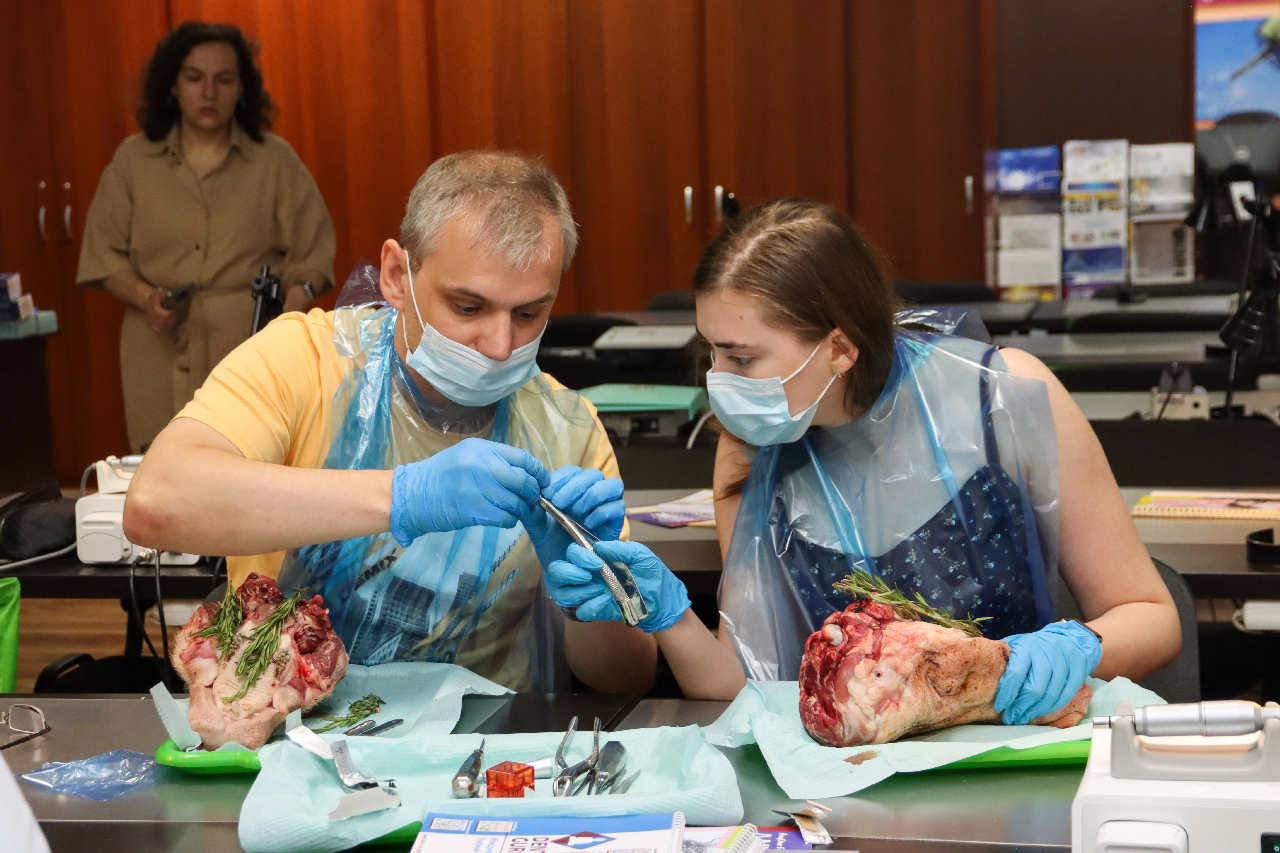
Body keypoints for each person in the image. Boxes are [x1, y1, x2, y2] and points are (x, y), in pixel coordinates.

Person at [546, 198, 1182, 720]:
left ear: (840, 348)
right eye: (711, 351)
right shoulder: (755, 445)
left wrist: (1075, 647)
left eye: (740, 358)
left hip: (1014, 745)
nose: (718, 379)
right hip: (852, 780)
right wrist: (669, 615)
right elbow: (744, 684)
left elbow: (1153, 620)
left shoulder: (1002, 398)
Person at [123, 150, 655, 694]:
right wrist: (406, 497)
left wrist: (590, 602)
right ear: (398, 276)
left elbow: (629, 679)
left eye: (528, 314)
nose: (499, 347)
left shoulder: (566, 430)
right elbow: (154, 503)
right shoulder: (304, 361)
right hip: (294, 737)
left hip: (489, 753)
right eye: (468, 308)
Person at [77, 21, 336, 453]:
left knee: (249, 461)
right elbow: (103, 254)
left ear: (242, 89)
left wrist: (285, 315)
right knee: (160, 467)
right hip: (156, 345)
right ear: (173, 86)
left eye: (224, 79)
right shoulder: (133, 160)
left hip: (248, 344)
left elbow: (314, 252)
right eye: (195, 78)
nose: (209, 93)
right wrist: (144, 297)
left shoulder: (274, 161)